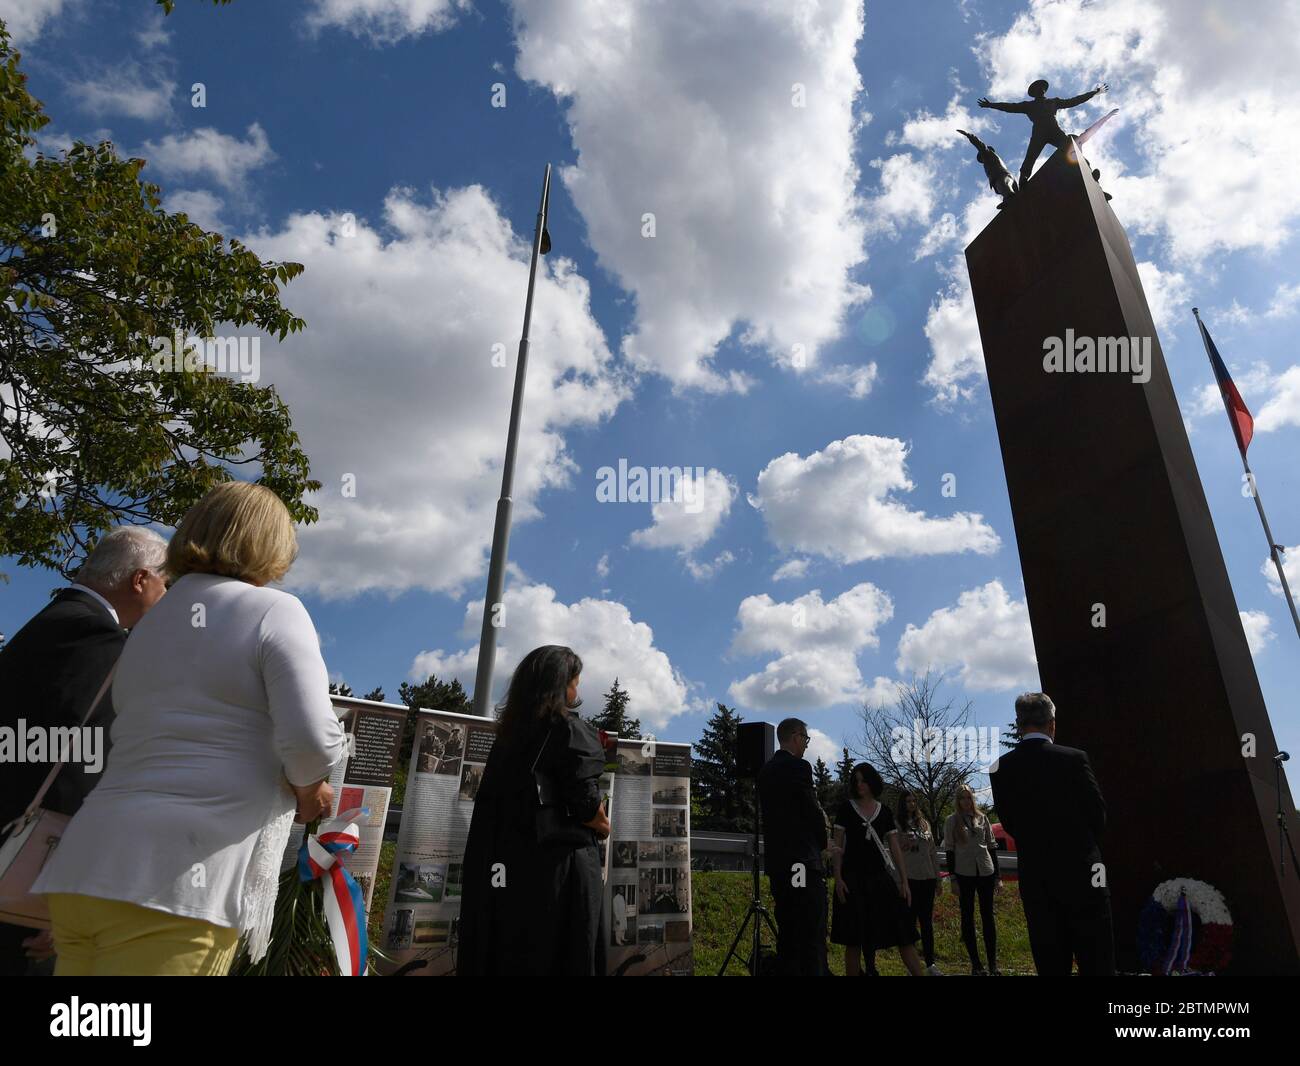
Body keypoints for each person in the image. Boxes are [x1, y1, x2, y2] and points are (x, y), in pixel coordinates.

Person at [32, 482, 346, 976]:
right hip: (176, 885)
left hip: (85, 871)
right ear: (273, 545)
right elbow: (311, 737)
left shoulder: (149, 626)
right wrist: (311, 792)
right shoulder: (275, 610)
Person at [0, 526, 169, 976]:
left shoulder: (53, 621)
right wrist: (62, 899)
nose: (165, 595)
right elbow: (80, 774)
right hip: (19, 880)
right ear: (140, 579)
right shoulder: (101, 642)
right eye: (164, 583)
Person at [457, 645, 610, 976]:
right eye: (575, 682)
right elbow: (587, 805)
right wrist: (604, 825)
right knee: (561, 953)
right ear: (561, 685)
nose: (577, 691)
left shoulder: (508, 736)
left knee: (513, 951)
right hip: (559, 870)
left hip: (506, 867)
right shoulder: (569, 729)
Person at [989, 692, 1114, 976]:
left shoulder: (1001, 768)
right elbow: (1098, 815)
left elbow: (1009, 822)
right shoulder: (1074, 759)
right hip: (1084, 874)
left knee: (1051, 963)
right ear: (1052, 724)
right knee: (1097, 961)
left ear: (1019, 725)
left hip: (1037, 878)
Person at [830, 764, 927, 977]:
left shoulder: (884, 811)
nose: (860, 785)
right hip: (852, 879)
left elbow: (894, 848)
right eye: (856, 781)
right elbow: (837, 847)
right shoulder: (847, 809)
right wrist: (838, 877)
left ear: (872, 782)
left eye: (863, 780)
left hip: (880, 879)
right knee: (853, 940)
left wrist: (903, 881)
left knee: (904, 934)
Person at [756, 718, 828, 975]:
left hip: (779, 863)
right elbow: (811, 809)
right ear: (796, 737)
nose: (807, 745)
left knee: (787, 927)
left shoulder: (765, 772)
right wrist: (823, 843)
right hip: (801, 862)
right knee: (810, 927)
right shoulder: (799, 768)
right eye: (806, 739)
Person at [978, 79, 1108, 188]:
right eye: (1037, 88)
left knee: (1072, 148)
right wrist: (991, 105)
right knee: (1030, 158)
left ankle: (1088, 171)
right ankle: (1023, 181)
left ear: (1044, 90)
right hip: (1039, 133)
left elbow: (1074, 101)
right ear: (1034, 93)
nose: (1040, 90)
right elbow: (1010, 107)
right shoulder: (1028, 105)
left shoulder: (1053, 102)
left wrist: (1094, 93)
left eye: (1042, 88)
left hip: (1055, 131)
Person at [944, 784, 1001, 975]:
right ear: (958, 801)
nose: (966, 802)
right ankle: (976, 964)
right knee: (967, 916)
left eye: (969, 798)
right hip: (964, 873)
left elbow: (992, 847)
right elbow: (949, 851)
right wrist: (953, 879)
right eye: (962, 798)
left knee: (988, 917)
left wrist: (997, 877)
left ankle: (993, 964)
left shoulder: (982, 817)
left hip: (985, 871)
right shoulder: (952, 821)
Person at [898, 790, 942, 975]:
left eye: (914, 801)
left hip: (928, 877)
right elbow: (895, 851)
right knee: (910, 922)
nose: (911, 804)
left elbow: (932, 851)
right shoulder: (897, 824)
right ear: (902, 804)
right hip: (910, 878)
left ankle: (930, 963)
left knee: (926, 922)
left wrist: (938, 878)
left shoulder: (924, 824)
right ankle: (912, 964)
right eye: (908, 801)